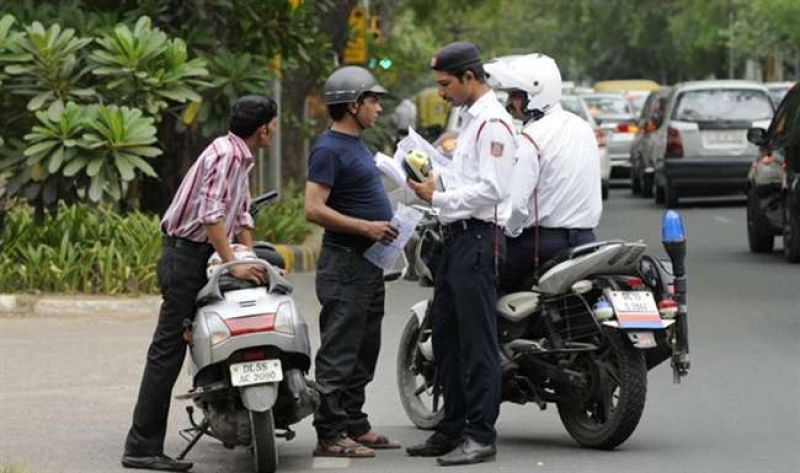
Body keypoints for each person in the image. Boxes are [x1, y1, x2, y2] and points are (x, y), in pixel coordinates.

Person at [122, 96, 278, 472]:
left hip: (197, 254)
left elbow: (239, 212)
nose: (273, 130)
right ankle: (141, 447)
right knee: (167, 351)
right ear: (264, 129)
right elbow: (211, 216)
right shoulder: (226, 155)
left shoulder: (240, 156)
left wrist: (249, 256)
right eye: (273, 124)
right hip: (185, 257)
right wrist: (232, 266)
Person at [406, 41, 515, 467]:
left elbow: (494, 190)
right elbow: (466, 176)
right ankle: (451, 428)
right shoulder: (470, 121)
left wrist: (439, 197)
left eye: (445, 83)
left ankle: (480, 435)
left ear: (470, 77)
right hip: (455, 239)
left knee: (477, 343)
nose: (441, 92)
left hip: (478, 239)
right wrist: (435, 176)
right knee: (446, 339)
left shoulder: (494, 123)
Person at [304, 65, 401, 458]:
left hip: (368, 265)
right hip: (344, 263)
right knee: (340, 349)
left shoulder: (357, 144)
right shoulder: (328, 149)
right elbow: (313, 209)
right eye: (373, 100)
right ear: (352, 105)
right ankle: (329, 432)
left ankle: (354, 423)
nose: (378, 107)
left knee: (365, 347)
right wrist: (366, 228)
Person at [484, 54, 602, 293]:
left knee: (482, 281)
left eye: (515, 95)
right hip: (588, 241)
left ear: (535, 95)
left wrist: (508, 230)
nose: (509, 103)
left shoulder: (532, 137)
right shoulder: (583, 127)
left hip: (541, 245)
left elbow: (517, 206)